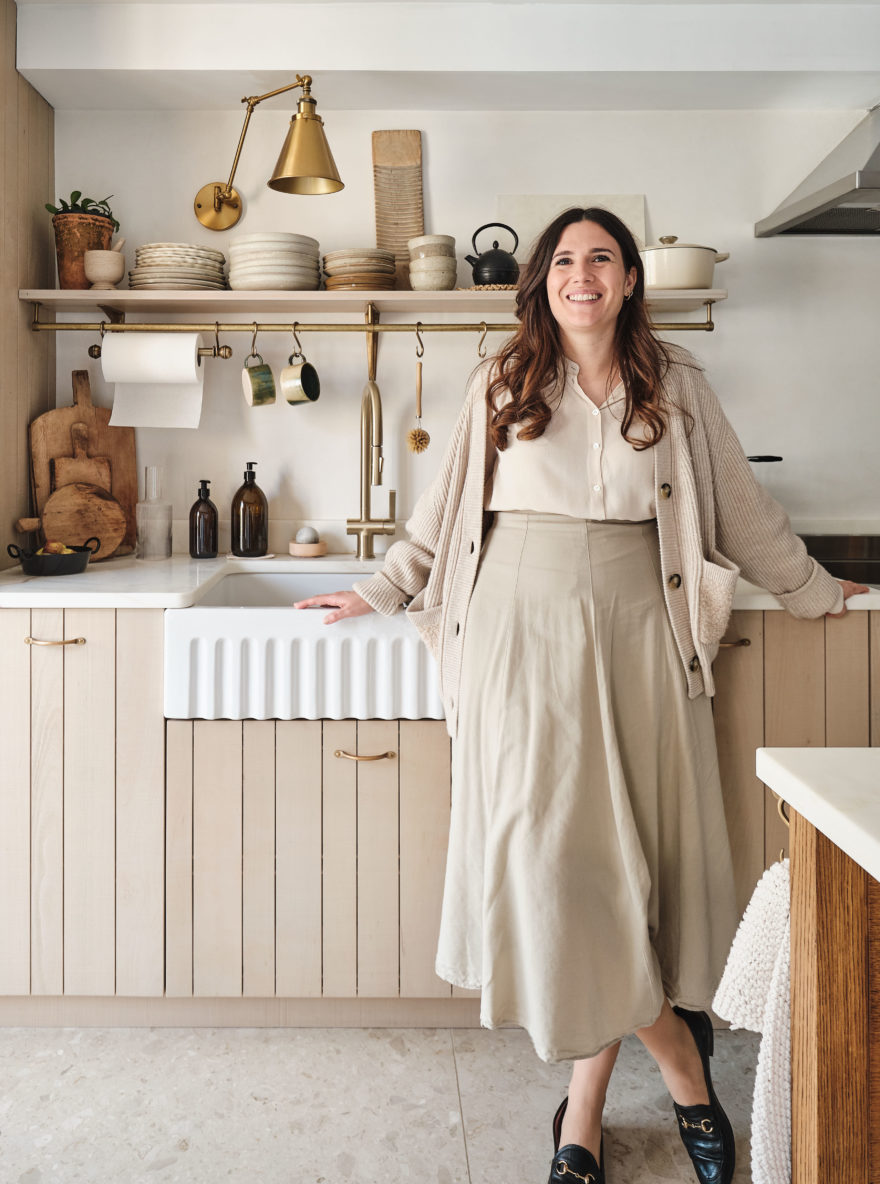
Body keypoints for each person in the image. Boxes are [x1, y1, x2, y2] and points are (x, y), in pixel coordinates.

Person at [296, 207, 867, 1184]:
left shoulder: (676, 383)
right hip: (518, 638)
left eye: (601, 257)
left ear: (631, 279)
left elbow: (740, 506)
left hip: (644, 634)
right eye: (564, 259)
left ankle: (583, 1115)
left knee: (630, 874)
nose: (582, 273)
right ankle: (685, 1067)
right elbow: (438, 521)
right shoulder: (501, 380)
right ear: (543, 281)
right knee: (559, 869)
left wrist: (814, 588)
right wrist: (385, 585)